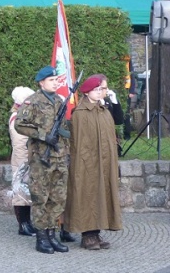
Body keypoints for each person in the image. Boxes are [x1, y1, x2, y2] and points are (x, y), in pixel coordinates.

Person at [14, 66, 70, 254]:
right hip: (41, 157)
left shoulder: (59, 100)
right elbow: (20, 124)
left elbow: (64, 128)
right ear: (41, 82)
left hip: (59, 156)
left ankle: (52, 235)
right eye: (52, 80)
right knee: (41, 197)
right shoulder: (33, 102)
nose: (56, 82)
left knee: (58, 197)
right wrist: (43, 135)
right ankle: (41, 237)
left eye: (56, 79)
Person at [64, 74, 123, 250]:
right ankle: (87, 235)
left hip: (104, 162)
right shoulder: (81, 113)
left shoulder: (104, 111)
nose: (101, 92)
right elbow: (79, 143)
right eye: (98, 89)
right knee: (87, 194)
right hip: (87, 163)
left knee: (101, 194)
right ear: (88, 91)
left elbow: (118, 124)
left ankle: (96, 232)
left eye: (103, 89)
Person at [9, 86, 36, 236]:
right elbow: (22, 141)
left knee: (27, 192)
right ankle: (23, 224)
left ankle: (28, 223)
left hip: (27, 157)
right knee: (21, 193)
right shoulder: (17, 118)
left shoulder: (22, 116)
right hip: (22, 159)